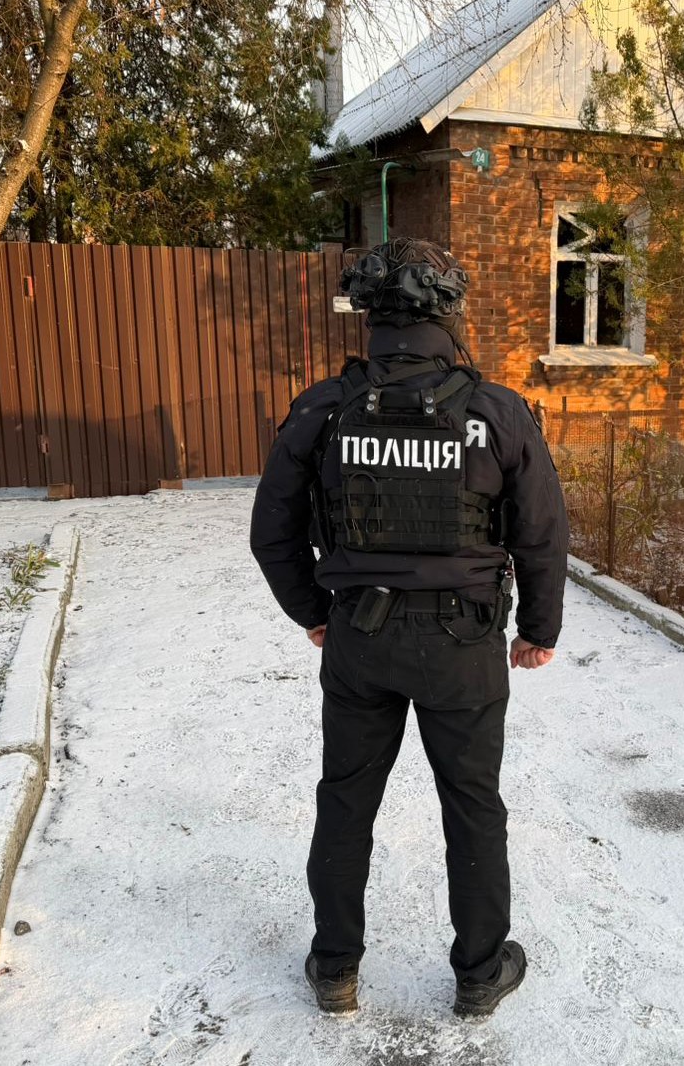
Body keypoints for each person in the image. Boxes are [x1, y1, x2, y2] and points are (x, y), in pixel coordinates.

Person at [250, 237, 568, 1019]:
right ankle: (481, 972)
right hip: (465, 646)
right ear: (450, 314)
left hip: (360, 639)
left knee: (346, 801)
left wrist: (314, 613)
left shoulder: (323, 409)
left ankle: (335, 969)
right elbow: (541, 533)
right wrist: (539, 628)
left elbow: (272, 532)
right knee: (473, 805)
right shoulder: (497, 413)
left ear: (369, 317)